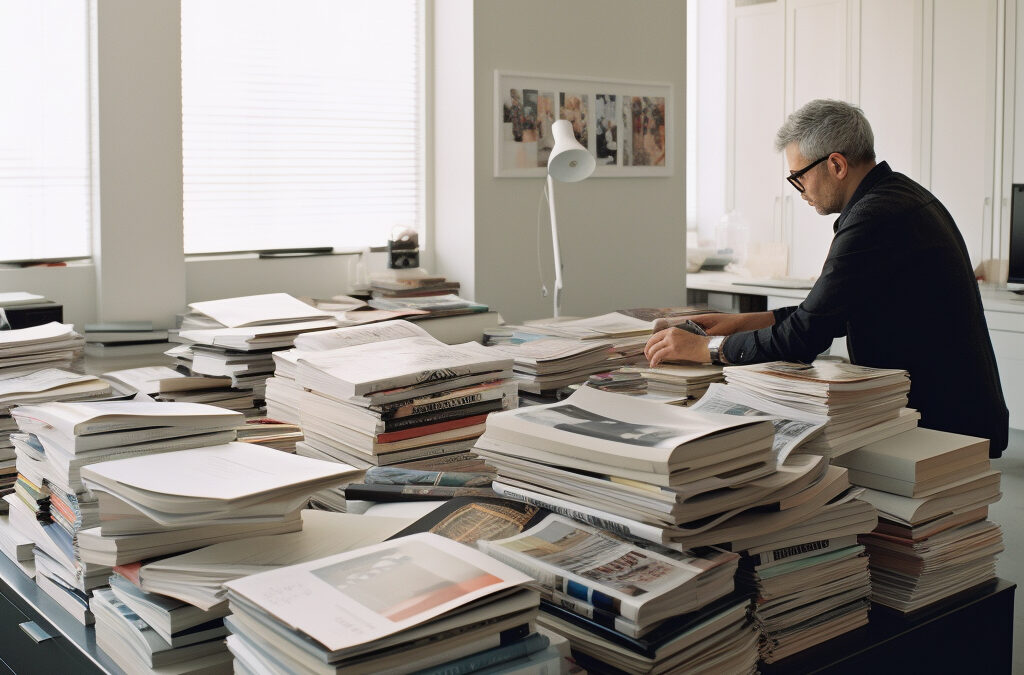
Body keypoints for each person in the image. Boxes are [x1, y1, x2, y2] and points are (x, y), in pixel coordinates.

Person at [644, 99, 1009, 457]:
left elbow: (806, 336)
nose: (799, 190)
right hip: (953, 407)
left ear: (835, 164)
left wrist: (706, 349)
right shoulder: (898, 194)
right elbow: (831, 311)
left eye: (798, 177)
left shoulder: (875, 217)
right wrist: (741, 322)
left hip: (942, 422)